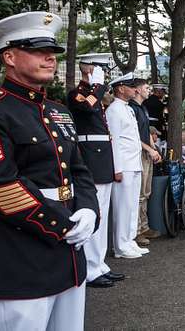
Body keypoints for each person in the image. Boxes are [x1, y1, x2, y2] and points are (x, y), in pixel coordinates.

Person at [0, 11, 99, 330]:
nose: (50, 57)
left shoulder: (58, 111)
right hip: (22, 255)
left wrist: (88, 210)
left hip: (71, 255)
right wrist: (62, 226)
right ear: (9, 56)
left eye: (52, 52)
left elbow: (79, 169)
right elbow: (1, 187)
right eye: (36, 50)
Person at [68, 52, 125, 289]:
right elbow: (88, 110)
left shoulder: (95, 96)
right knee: (94, 213)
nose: (105, 77)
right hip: (91, 159)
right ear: (88, 70)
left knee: (101, 214)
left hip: (101, 159)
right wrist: (98, 86)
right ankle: (91, 268)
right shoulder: (77, 95)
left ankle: (99, 263)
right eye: (101, 70)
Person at [106, 72, 149, 258]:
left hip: (134, 163)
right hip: (123, 164)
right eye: (130, 86)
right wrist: (117, 168)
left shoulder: (128, 109)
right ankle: (120, 246)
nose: (134, 89)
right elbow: (114, 141)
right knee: (123, 207)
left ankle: (129, 240)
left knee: (131, 205)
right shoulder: (114, 110)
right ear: (120, 89)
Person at [129, 78, 162, 247]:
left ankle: (144, 226)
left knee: (146, 193)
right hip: (139, 153)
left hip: (147, 152)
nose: (149, 90)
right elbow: (134, 136)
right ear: (137, 90)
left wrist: (153, 147)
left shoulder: (143, 108)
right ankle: (136, 232)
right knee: (139, 195)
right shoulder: (131, 109)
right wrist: (149, 149)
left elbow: (146, 130)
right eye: (146, 87)